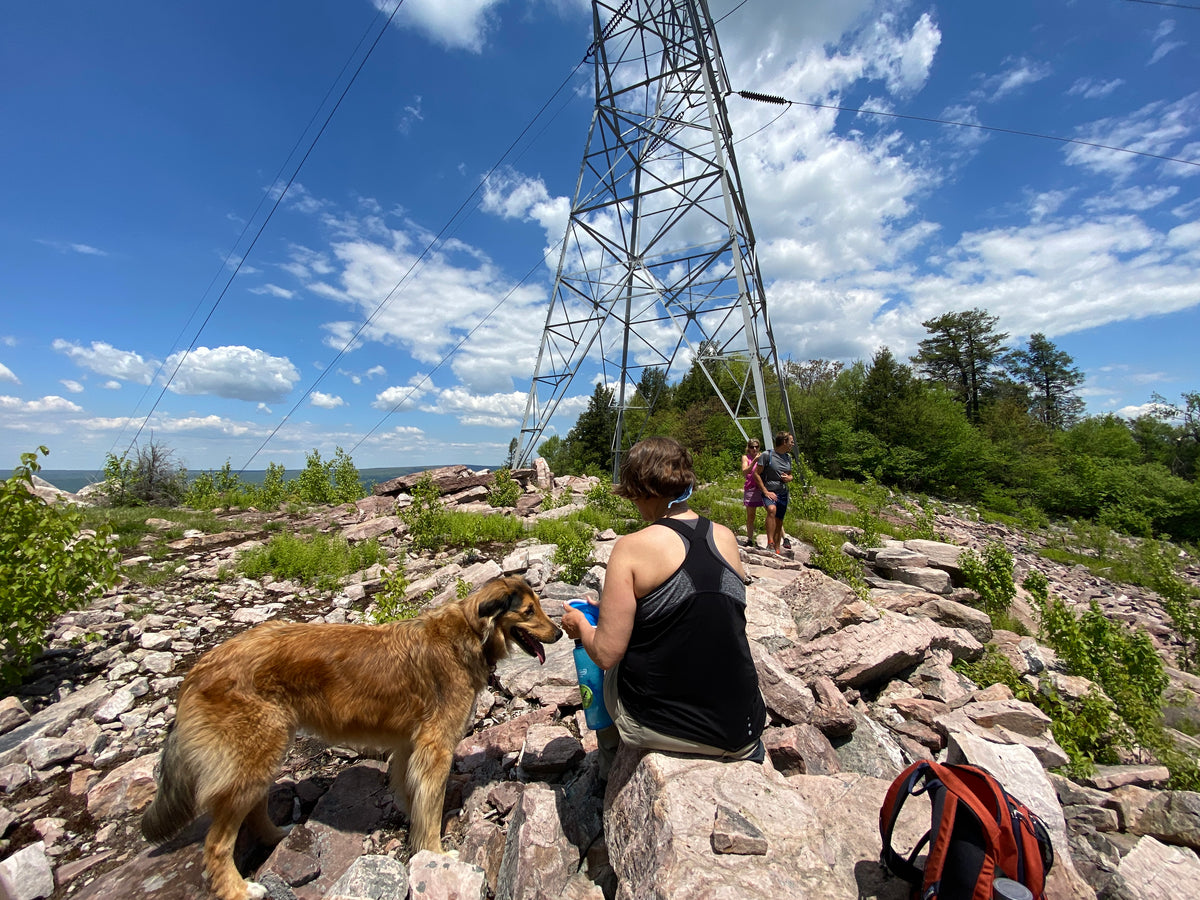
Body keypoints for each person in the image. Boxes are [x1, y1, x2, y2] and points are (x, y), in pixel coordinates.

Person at [561, 437, 765, 770]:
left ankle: (610, 768)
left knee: (601, 664)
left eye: (632, 494)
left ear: (644, 490)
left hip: (671, 727)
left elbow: (607, 652)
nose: (633, 503)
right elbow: (696, 611)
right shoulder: (725, 536)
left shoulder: (631, 547)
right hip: (745, 727)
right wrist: (614, 613)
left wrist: (582, 625)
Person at [754, 431, 794, 555]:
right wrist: (765, 491)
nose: (793, 444)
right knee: (771, 510)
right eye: (791, 441)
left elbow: (790, 474)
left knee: (779, 520)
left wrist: (789, 478)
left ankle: (776, 549)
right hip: (769, 490)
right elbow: (756, 473)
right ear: (784, 442)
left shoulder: (788, 458)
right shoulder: (767, 455)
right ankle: (770, 542)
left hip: (782, 491)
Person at [741, 438, 763, 546]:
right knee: (751, 515)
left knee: (772, 512)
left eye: (756, 446)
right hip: (751, 488)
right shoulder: (746, 458)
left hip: (762, 488)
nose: (754, 449)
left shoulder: (763, 456)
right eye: (752, 447)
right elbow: (745, 471)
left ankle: (779, 538)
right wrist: (754, 461)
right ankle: (749, 539)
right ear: (748, 448)